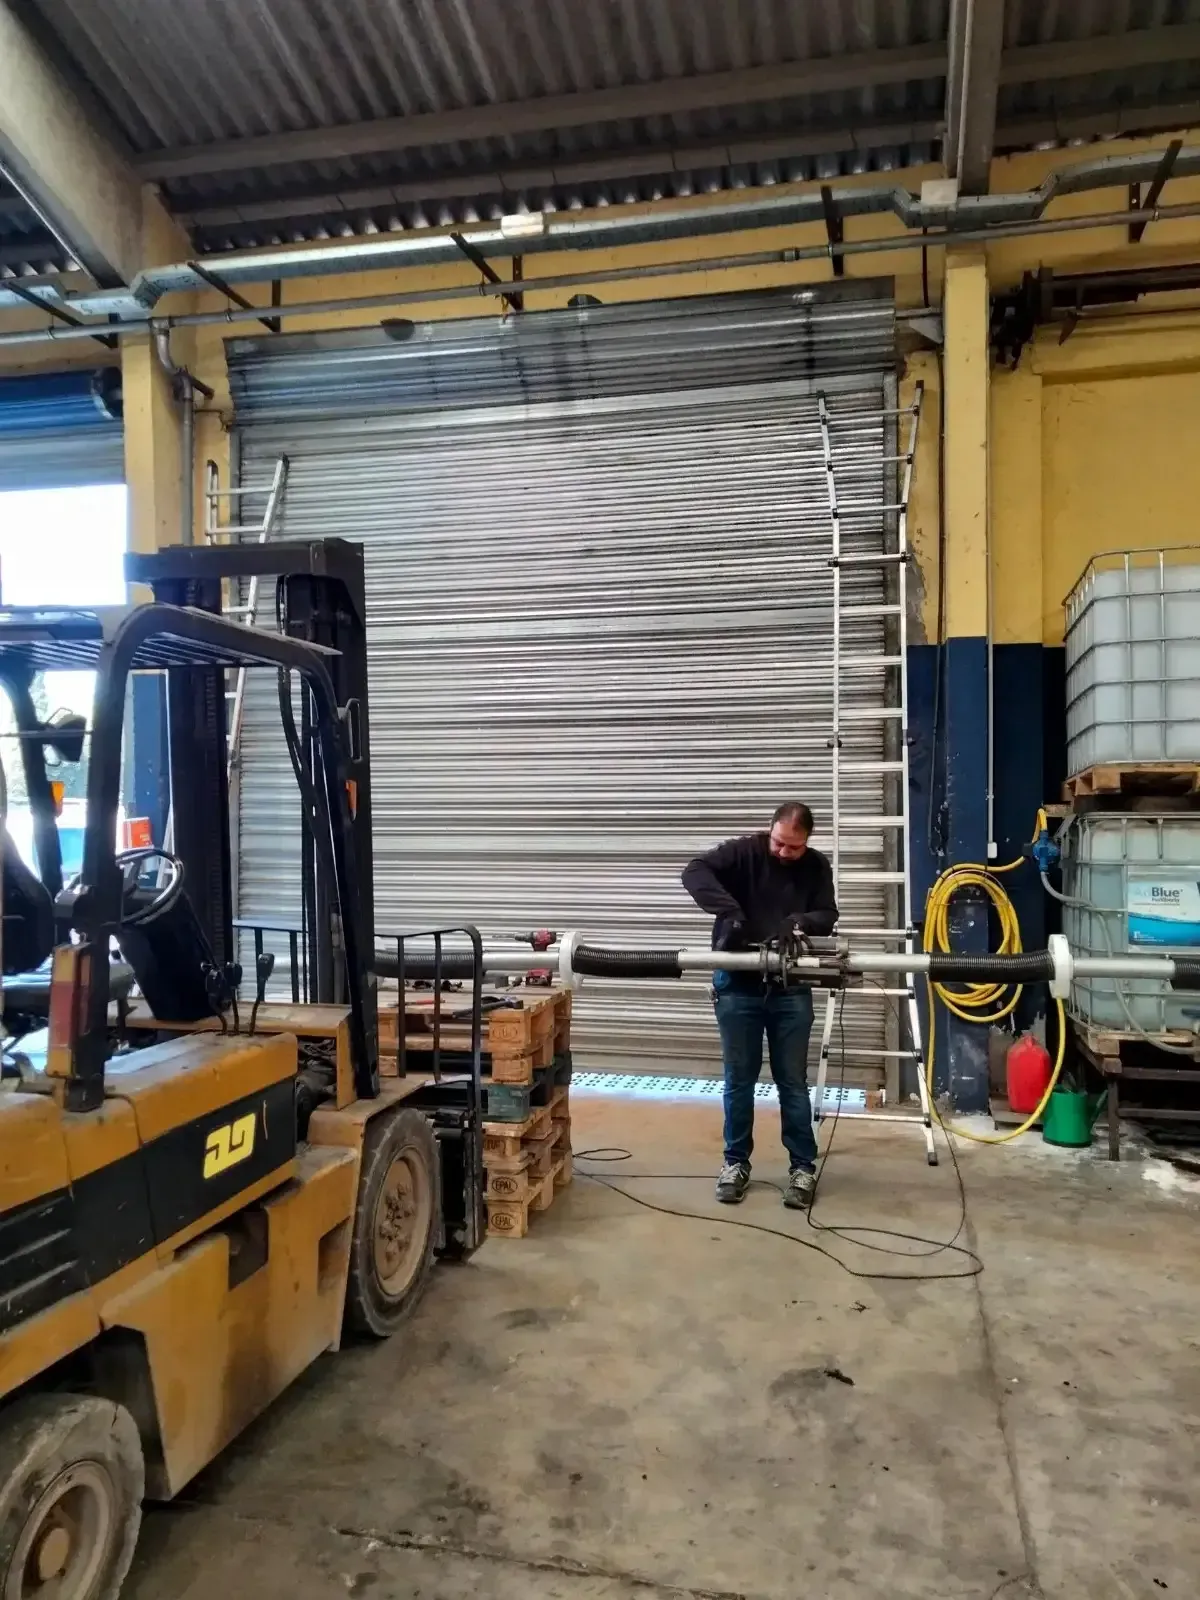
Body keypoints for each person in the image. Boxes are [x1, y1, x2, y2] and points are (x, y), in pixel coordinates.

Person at [681, 802, 838, 1209]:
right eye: (779, 843)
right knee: (738, 1080)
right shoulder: (744, 853)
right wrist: (730, 912)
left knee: (792, 1082)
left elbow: (828, 913)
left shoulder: (816, 866)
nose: (784, 853)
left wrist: (798, 922)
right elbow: (693, 871)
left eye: (794, 848)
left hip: (789, 988)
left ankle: (803, 1168)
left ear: (808, 842)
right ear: (770, 830)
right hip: (737, 986)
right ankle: (735, 1164)